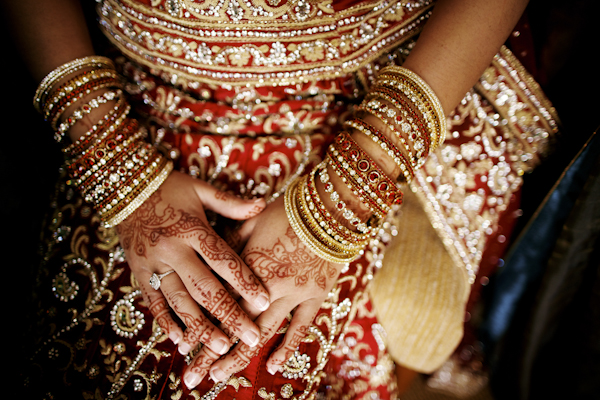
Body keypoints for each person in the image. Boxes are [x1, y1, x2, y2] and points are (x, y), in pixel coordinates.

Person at [6, 0, 559, 398]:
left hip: (372, 102)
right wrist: (116, 160)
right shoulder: (116, 136)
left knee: (290, 361)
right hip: (128, 105)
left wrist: (344, 193)